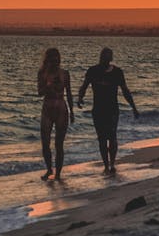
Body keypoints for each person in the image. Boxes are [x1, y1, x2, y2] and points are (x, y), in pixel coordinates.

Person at [78, 46, 139, 175]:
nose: (105, 58)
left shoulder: (117, 72)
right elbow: (84, 86)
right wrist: (80, 98)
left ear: (111, 58)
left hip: (112, 110)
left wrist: (133, 107)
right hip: (98, 110)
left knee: (112, 136)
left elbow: (125, 91)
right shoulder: (92, 71)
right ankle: (106, 165)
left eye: (108, 56)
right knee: (101, 138)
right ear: (100, 57)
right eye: (104, 56)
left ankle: (112, 164)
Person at [37, 47, 74, 183]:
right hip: (47, 108)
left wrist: (72, 111)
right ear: (48, 60)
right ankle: (49, 169)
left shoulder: (65, 74)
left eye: (57, 59)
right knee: (45, 143)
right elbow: (39, 92)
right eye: (52, 59)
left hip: (61, 108)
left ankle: (58, 173)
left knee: (59, 144)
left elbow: (69, 93)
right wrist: (48, 85)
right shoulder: (42, 73)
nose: (55, 61)